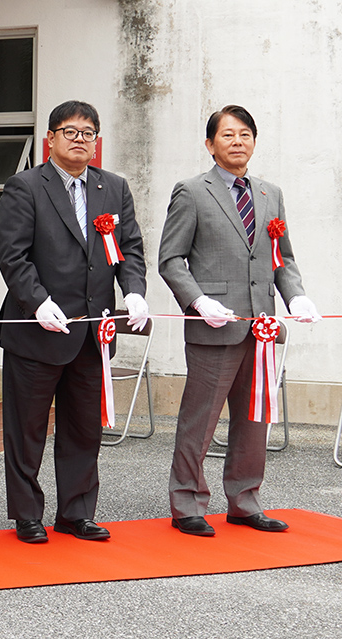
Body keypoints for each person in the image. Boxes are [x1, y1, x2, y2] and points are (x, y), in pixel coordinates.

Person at [158, 105, 321, 537]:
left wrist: (297, 296)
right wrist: (198, 302)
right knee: (201, 420)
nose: (237, 141)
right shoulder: (191, 191)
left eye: (245, 134)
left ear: (254, 141)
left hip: (261, 327)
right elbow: (171, 260)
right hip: (214, 328)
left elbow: (281, 256)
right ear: (210, 144)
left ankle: (245, 502)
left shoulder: (270, 193)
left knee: (254, 420)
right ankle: (187, 503)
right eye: (227, 135)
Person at [0, 100, 148, 544]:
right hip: (36, 327)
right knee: (27, 429)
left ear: (96, 141)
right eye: (70, 131)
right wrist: (37, 301)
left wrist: (134, 290)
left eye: (88, 133)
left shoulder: (113, 188)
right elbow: (12, 255)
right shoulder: (24, 186)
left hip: (93, 333)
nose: (80, 140)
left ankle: (76, 512)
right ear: (50, 139)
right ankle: (27, 514)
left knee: (83, 427)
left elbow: (130, 248)